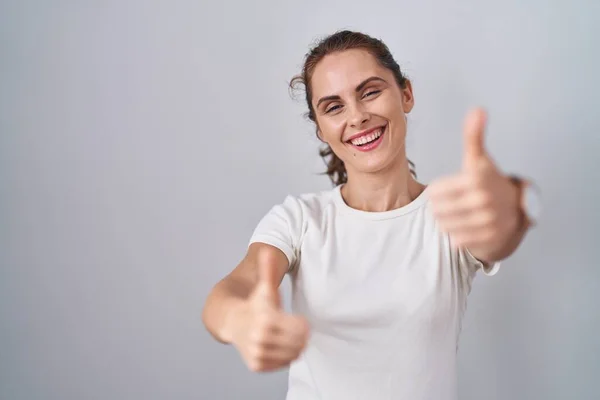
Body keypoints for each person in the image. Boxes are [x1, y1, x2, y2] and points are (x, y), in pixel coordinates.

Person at [201, 30, 539, 400]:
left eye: (370, 92)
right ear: (320, 128)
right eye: (334, 107)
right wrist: (240, 321)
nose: (358, 117)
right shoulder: (299, 220)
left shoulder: (449, 214)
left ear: (405, 94)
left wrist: (517, 204)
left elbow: (499, 234)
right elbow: (230, 291)